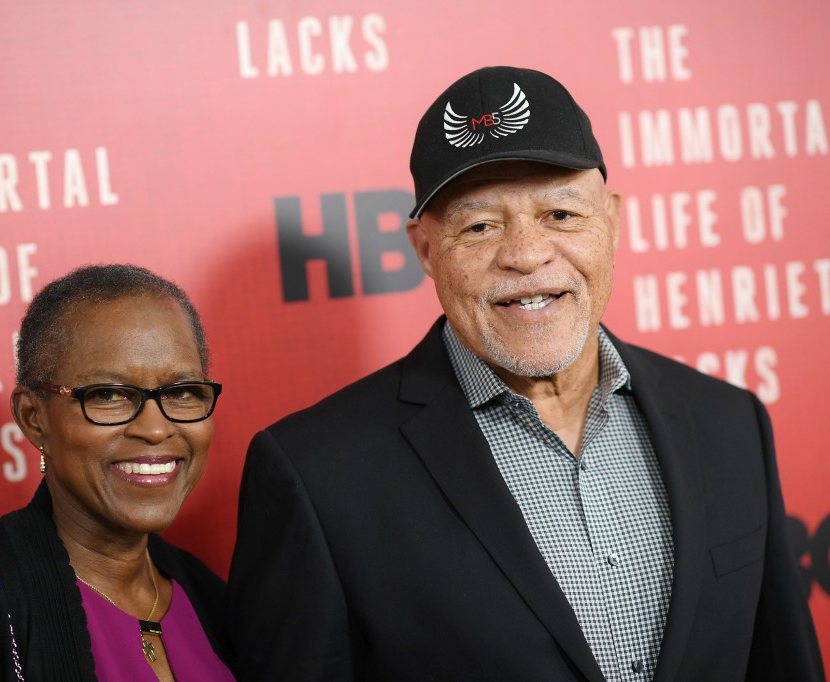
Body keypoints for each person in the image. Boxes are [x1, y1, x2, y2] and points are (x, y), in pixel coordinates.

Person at [228, 66, 825, 680]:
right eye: (480, 226)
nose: (526, 254)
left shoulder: (729, 422)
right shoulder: (318, 473)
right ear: (426, 249)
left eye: (561, 214)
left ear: (612, 222)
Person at [0, 264, 235, 681]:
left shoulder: (209, 596)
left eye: (181, 392)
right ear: (34, 418)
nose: (156, 428)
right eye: (108, 395)